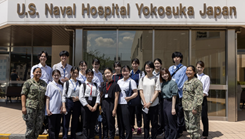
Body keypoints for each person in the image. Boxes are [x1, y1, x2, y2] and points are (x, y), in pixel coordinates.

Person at [21, 67, 47, 139]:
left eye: (40, 72)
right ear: (33, 73)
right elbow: (23, 94)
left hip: (40, 108)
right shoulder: (28, 82)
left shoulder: (44, 83)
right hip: (30, 108)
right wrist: (23, 107)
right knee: (30, 128)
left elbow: (46, 95)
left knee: (38, 127)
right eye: (37, 72)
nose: (38, 73)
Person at [30, 51, 52, 134]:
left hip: (46, 92)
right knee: (37, 110)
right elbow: (32, 80)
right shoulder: (35, 67)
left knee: (45, 110)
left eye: (45, 56)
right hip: (37, 93)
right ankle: (38, 127)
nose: (43, 58)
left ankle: (45, 127)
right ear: (39, 57)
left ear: (46, 58)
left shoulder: (49, 69)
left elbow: (50, 80)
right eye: (42, 56)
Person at [138, 61, 161, 139]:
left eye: (150, 67)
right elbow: (141, 91)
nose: (148, 69)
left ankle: (153, 137)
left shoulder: (156, 79)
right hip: (144, 105)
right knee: (146, 123)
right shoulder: (142, 79)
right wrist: (145, 103)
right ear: (144, 68)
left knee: (154, 123)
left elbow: (157, 92)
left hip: (153, 105)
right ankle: (146, 137)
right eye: (147, 68)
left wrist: (150, 102)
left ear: (152, 68)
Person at [168, 52, 188, 137]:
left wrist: (176, 88)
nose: (176, 58)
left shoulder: (184, 68)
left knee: (180, 112)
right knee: (173, 112)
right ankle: (173, 128)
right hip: (171, 93)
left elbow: (183, 80)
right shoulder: (170, 68)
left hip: (179, 93)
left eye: (178, 57)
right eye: (174, 57)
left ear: (181, 58)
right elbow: (168, 78)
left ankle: (180, 130)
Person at [117, 65, 138, 139]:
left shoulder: (131, 81)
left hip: (127, 104)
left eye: (126, 71)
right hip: (119, 104)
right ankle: (121, 137)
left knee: (127, 123)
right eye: (123, 71)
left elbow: (136, 93)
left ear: (129, 72)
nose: (124, 73)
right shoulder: (119, 81)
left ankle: (128, 137)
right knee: (120, 123)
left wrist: (130, 97)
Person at [182, 65, 203, 139]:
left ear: (194, 72)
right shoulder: (186, 82)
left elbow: (199, 96)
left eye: (190, 70)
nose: (188, 72)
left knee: (194, 128)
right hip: (186, 108)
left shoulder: (197, 82)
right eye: (187, 70)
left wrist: (195, 108)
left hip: (193, 109)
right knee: (189, 127)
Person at [79, 69, 100, 139]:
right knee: (85, 123)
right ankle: (85, 137)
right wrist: (88, 106)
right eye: (88, 75)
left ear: (93, 76)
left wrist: (96, 105)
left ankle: (91, 136)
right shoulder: (83, 85)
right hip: (85, 105)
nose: (90, 76)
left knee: (92, 123)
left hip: (94, 105)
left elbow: (98, 95)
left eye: (91, 75)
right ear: (86, 75)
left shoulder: (95, 85)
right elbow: (81, 97)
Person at [62, 67, 81, 139]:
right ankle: (65, 136)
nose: (75, 74)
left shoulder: (79, 83)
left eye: (77, 73)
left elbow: (82, 94)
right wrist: (63, 106)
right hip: (68, 102)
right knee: (66, 121)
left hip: (77, 103)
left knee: (75, 121)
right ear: (71, 72)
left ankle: (73, 136)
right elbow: (63, 95)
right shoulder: (67, 83)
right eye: (74, 72)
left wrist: (78, 98)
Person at [100, 68, 120, 139]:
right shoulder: (103, 84)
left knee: (110, 123)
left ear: (112, 73)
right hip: (104, 105)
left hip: (111, 105)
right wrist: (100, 107)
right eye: (106, 73)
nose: (107, 75)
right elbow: (101, 95)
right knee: (104, 123)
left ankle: (111, 137)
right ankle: (105, 137)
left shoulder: (115, 85)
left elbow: (116, 97)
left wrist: (114, 109)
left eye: (108, 73)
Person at [160, 68, 178, 139]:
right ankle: (167, 136)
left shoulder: (172, 83)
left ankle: (173, 137)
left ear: (168, 74)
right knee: (165, 122)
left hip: (170, 103)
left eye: (166, 73)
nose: (165, 75)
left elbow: (174, 96)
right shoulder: (163, 83)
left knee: (171, 122)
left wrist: (173, 108)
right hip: (163, 103)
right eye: (163, 74)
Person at [45, 70, 63, 139]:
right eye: (55, 75)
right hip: (52, 109)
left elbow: (62, 97)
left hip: (59, 110)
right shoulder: (50, 85)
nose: (56, 77)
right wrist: (47, 109)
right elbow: (47, 97)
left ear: (60, 76)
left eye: (57, 75)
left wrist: (62, 106)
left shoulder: (61, 85)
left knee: (57, 127)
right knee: (51, 128)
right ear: (52, 76)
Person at [129, 58, 145, 135]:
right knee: (131, 112)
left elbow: (143, 83)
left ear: (138, 64)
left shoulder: (141, 73)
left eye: (136, 63)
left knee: (138, 111)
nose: (134, 65)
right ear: (131, 64)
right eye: (133, 63)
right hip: (131, 94)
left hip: (138, 94)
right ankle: (132, 126)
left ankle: (139, 127)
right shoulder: (130, 73)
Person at [196, 61, 210, 139]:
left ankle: (205, 133)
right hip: (194, 100)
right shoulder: (194, 76)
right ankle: (196, 132)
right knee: (195, 117)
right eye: (198, 67)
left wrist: (199, 96)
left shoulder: (206, 77)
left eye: (200, 67)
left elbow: (206, 90)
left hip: (202, 99)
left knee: (204, 116)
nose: (199, 69)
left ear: (203, 68)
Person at [153, 58, 164, 135]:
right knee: (154, 112)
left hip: (161, 94)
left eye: (158, 63)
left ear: (161, 64)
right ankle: (155, 127)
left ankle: (161, 128)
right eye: (155, 63)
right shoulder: (151, 73)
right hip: (153, 95)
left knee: (161, 112)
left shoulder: (163, 73)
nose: (157, 65)